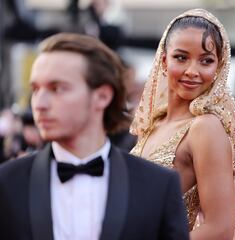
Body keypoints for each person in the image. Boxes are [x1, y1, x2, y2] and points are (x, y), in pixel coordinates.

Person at [0, 33, 189, 240]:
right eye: (35, 89)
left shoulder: (157, 186)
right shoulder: (7, 183)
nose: (39, 103)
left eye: (57, 89)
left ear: (102, 96)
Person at [130, 8, 235, 239]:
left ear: (218, 68)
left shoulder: (205, 128)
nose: (192, 71)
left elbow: (220, 229)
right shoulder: (155, 124)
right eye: (181, 57)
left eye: (206, 61)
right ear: (164, 61)